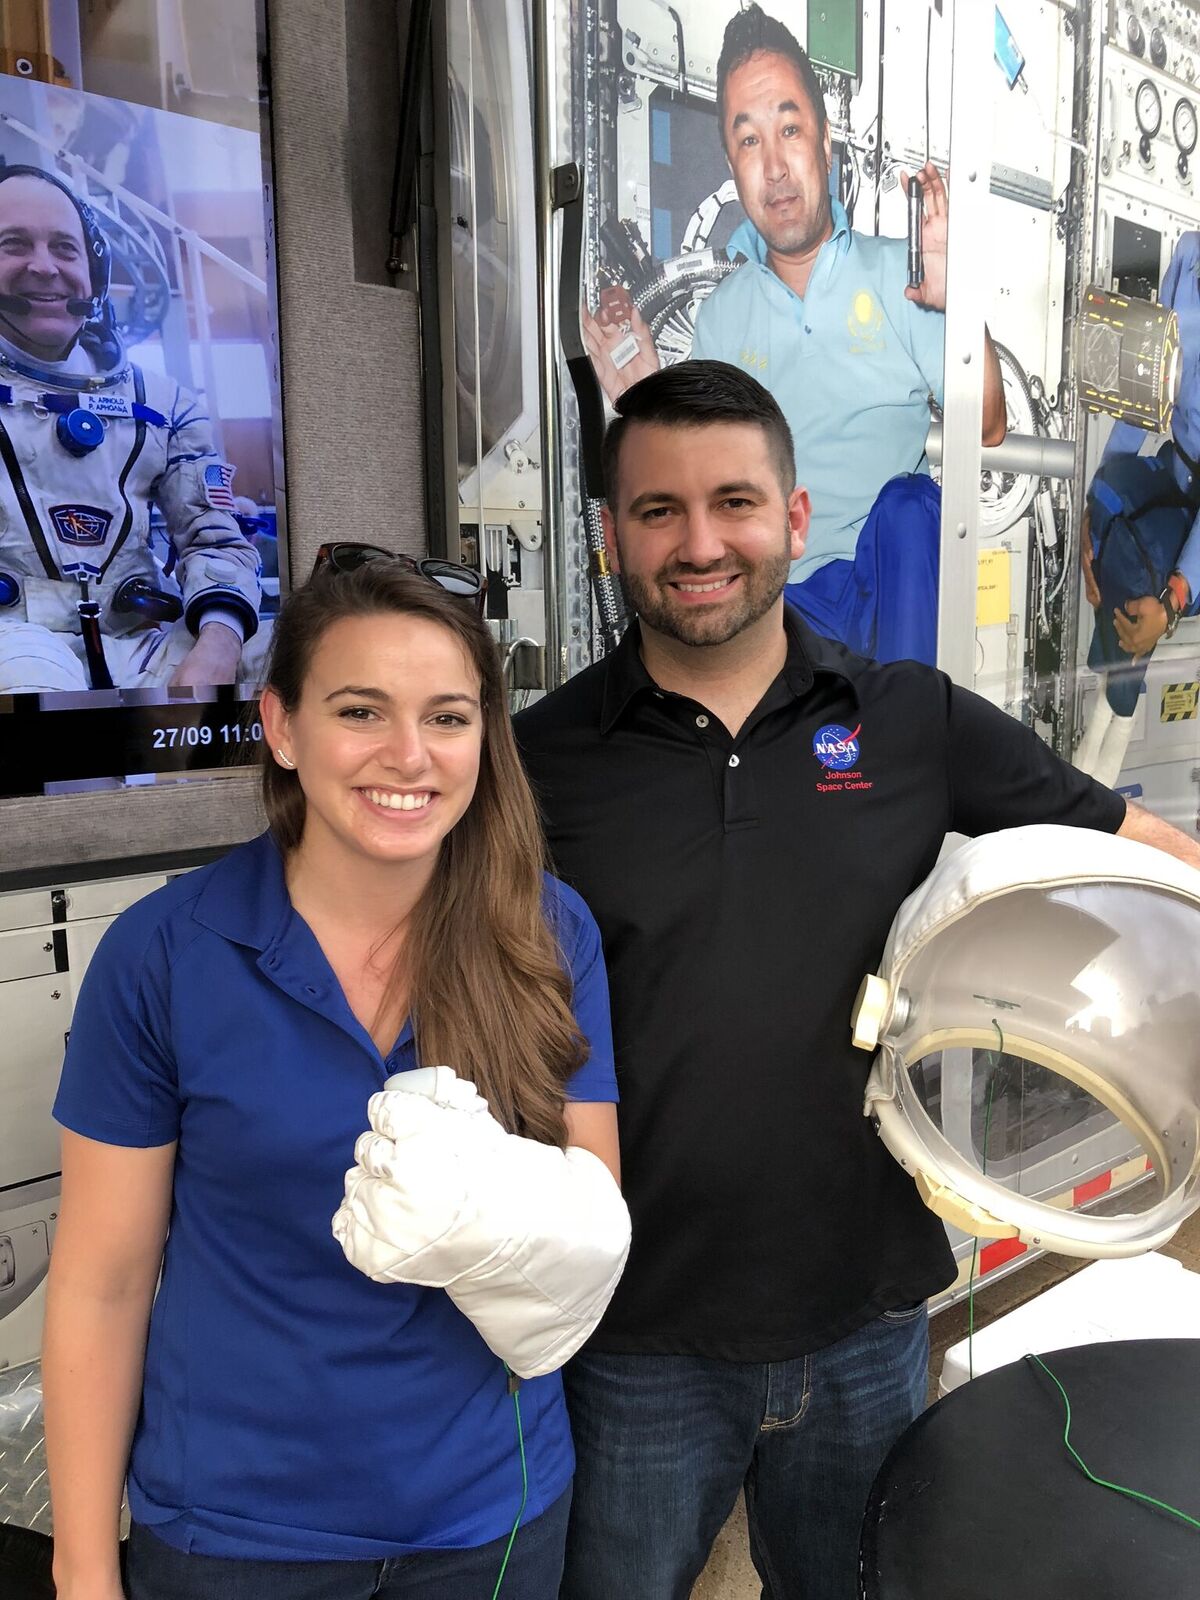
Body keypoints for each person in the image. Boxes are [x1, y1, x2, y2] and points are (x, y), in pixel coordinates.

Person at [514, 361, 1200, 1600]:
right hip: (631, 1338)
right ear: (611, 533)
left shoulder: (910, 721)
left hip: (867, 1318)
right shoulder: (537, 761)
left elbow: (1139, 853)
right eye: (659, 510)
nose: (699, 543)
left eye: (734, 502)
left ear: (794, 516)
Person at [42, 550, 628, 1600]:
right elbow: (102, 1284)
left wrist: (472, 1204)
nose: (409, 755)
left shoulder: (546, 932)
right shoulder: (164, 955)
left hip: (486, 1511)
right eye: (361, 711)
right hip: (234, 1530)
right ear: (281, 726)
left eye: (448, 718)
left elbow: (593, 1220)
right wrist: (84, 1567)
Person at [583, 3, 1006, 666]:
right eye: (749, 141)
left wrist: (959, 307)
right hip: (778, 606)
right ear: (731, 163)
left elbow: (988, 424)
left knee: (911, 506)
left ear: (825, 140)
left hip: (886, 591)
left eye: (789, 128)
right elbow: (702, 482)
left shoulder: (900, 276)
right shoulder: (722, 316)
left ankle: (909, 719)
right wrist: (646, 397)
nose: (775, 166)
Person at [0, 165, 262, 694]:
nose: (44, 267)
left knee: (298, 664)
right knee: (35, 685)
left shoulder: (162, 404)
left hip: (139, 639)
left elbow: (214, 540)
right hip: (12, 639)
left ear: (94, 270)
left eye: (65, 248)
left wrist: (219, 644)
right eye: (14, 244)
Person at [1076, 231, 1200, 779]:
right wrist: (1094, 517)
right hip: (1180, 469)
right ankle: (1111, 706)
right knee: (1106, 499)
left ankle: (1105, 741)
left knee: (1141, 565)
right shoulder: (1189, 257)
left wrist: (1172, 604)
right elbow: (1143, 394)